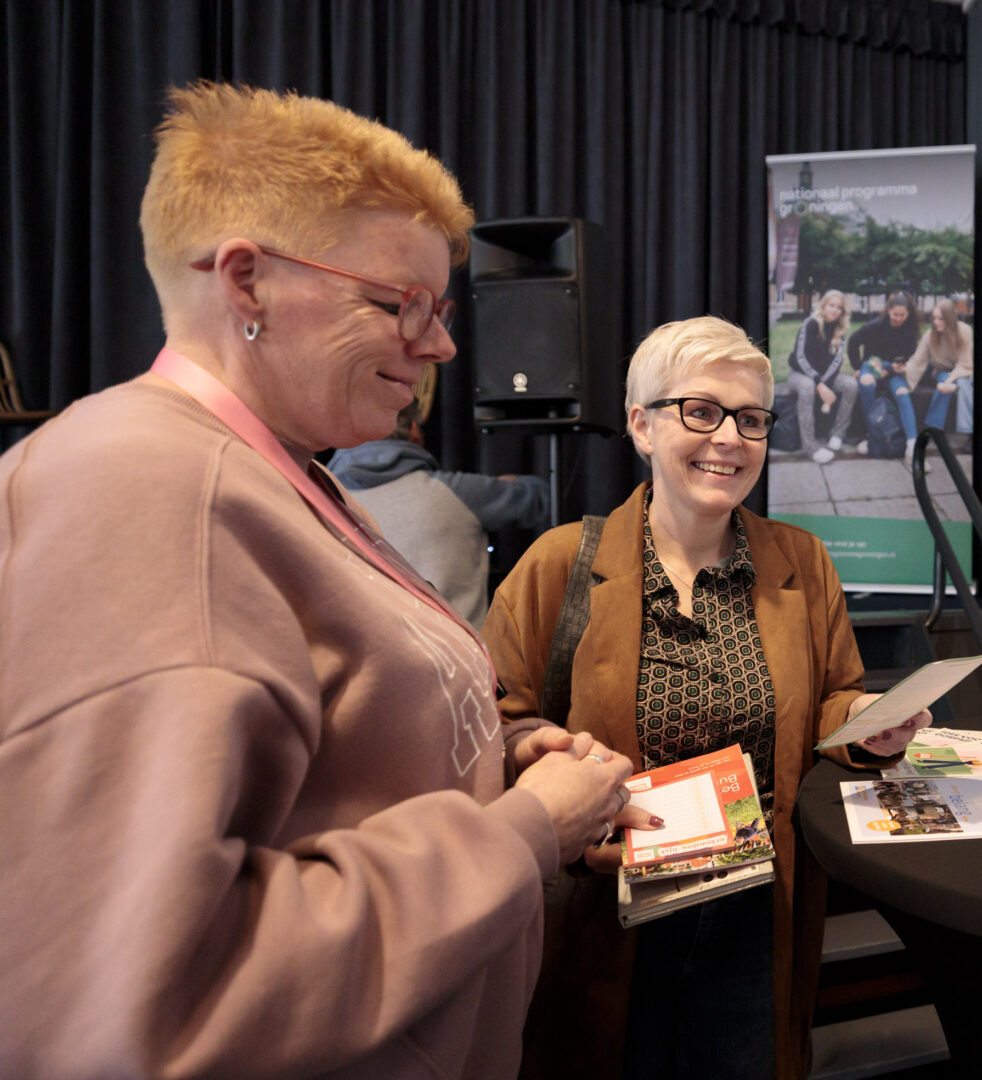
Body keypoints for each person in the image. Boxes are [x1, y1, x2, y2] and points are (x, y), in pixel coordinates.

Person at [0, 84, 646, 1079]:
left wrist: (497, 758)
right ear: (247, 282)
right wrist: (528, 828)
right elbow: (154, 999)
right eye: (398, 305)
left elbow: (326, 763)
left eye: (439, 309)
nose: (441, 346)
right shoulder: (146, 488)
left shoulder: (282, 471)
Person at [485, 316, 931, 1080]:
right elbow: (493, 729)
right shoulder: (559, 565)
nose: (729, 438)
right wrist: (549, 772)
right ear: (641, 425)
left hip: (756, 916)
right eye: (701, 411)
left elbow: (833, 698)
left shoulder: (801, 562)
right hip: (609, 918)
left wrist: (865, 724)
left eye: (751, 419)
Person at [330, 398, 550, 626]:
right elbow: (539, 497)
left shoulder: (322, 497)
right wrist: (509, 483)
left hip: (356, 646)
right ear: (414, 430)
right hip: (455, 647)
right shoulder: (458, 492)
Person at [786, 289, 859, 463]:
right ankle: (810, 447)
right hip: (800, 374)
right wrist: (819, 384)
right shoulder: (810, 324)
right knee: (807, 386)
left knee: (851, 384)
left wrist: (824, 384)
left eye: (839, 308)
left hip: (826, 378)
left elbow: (836, 363)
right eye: (831, 305)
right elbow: (800, 358)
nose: (834, 310)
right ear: (823, 306)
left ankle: (838, 434)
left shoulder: (840, 331)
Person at [849, 292, 922, 459]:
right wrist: (857, 367)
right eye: (895, 314)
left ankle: (912, 443)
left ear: (908, 314)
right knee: (866, 382)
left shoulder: (910, 331)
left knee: (902, 393)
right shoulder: (874, 326)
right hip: (871, 366)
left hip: (894, 371)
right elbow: (853, 341)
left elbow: (910, 356)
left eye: (902, 315)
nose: (898, 318)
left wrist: (897, 368)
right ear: (888, 310)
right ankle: (871, 435)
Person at [906, 298, 974, 440]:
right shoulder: (929, 336)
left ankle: (968, 432)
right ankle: (933, 428)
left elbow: (965, 363)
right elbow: (917, 361)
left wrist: (950, 381)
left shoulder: (965, 331)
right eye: (934, 318)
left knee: (963, 385)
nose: (936, 322)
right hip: (942, 371)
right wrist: (903, 374)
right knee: (943, 386)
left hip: (964, 371)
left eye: (941, 319)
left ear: (950, 319)